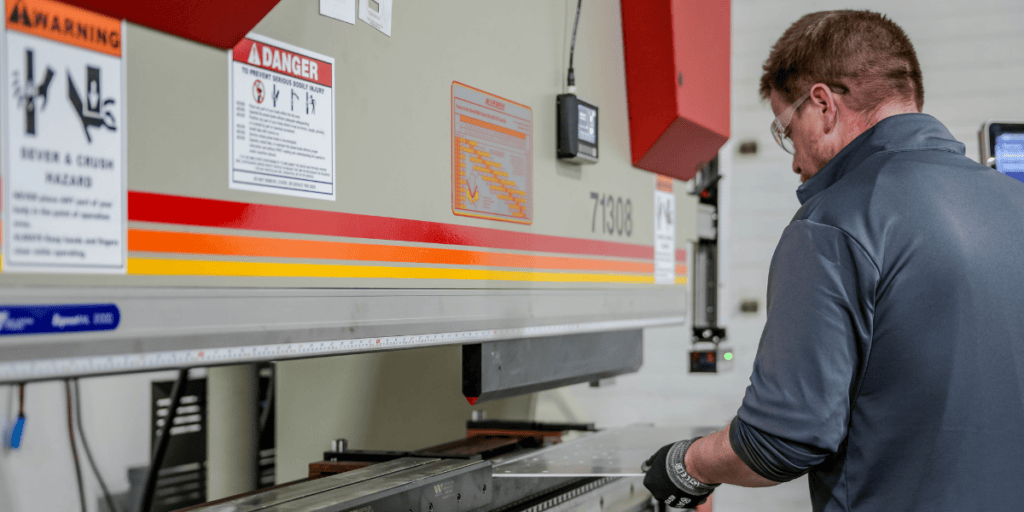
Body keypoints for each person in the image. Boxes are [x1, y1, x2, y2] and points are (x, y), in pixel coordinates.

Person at [642, 9, 1024, 512]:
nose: (796, 161)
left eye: (786, 130)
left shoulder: (836, 221)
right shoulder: (1012, 201)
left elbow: (778, 441)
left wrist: (685, 467)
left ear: (822, 105)